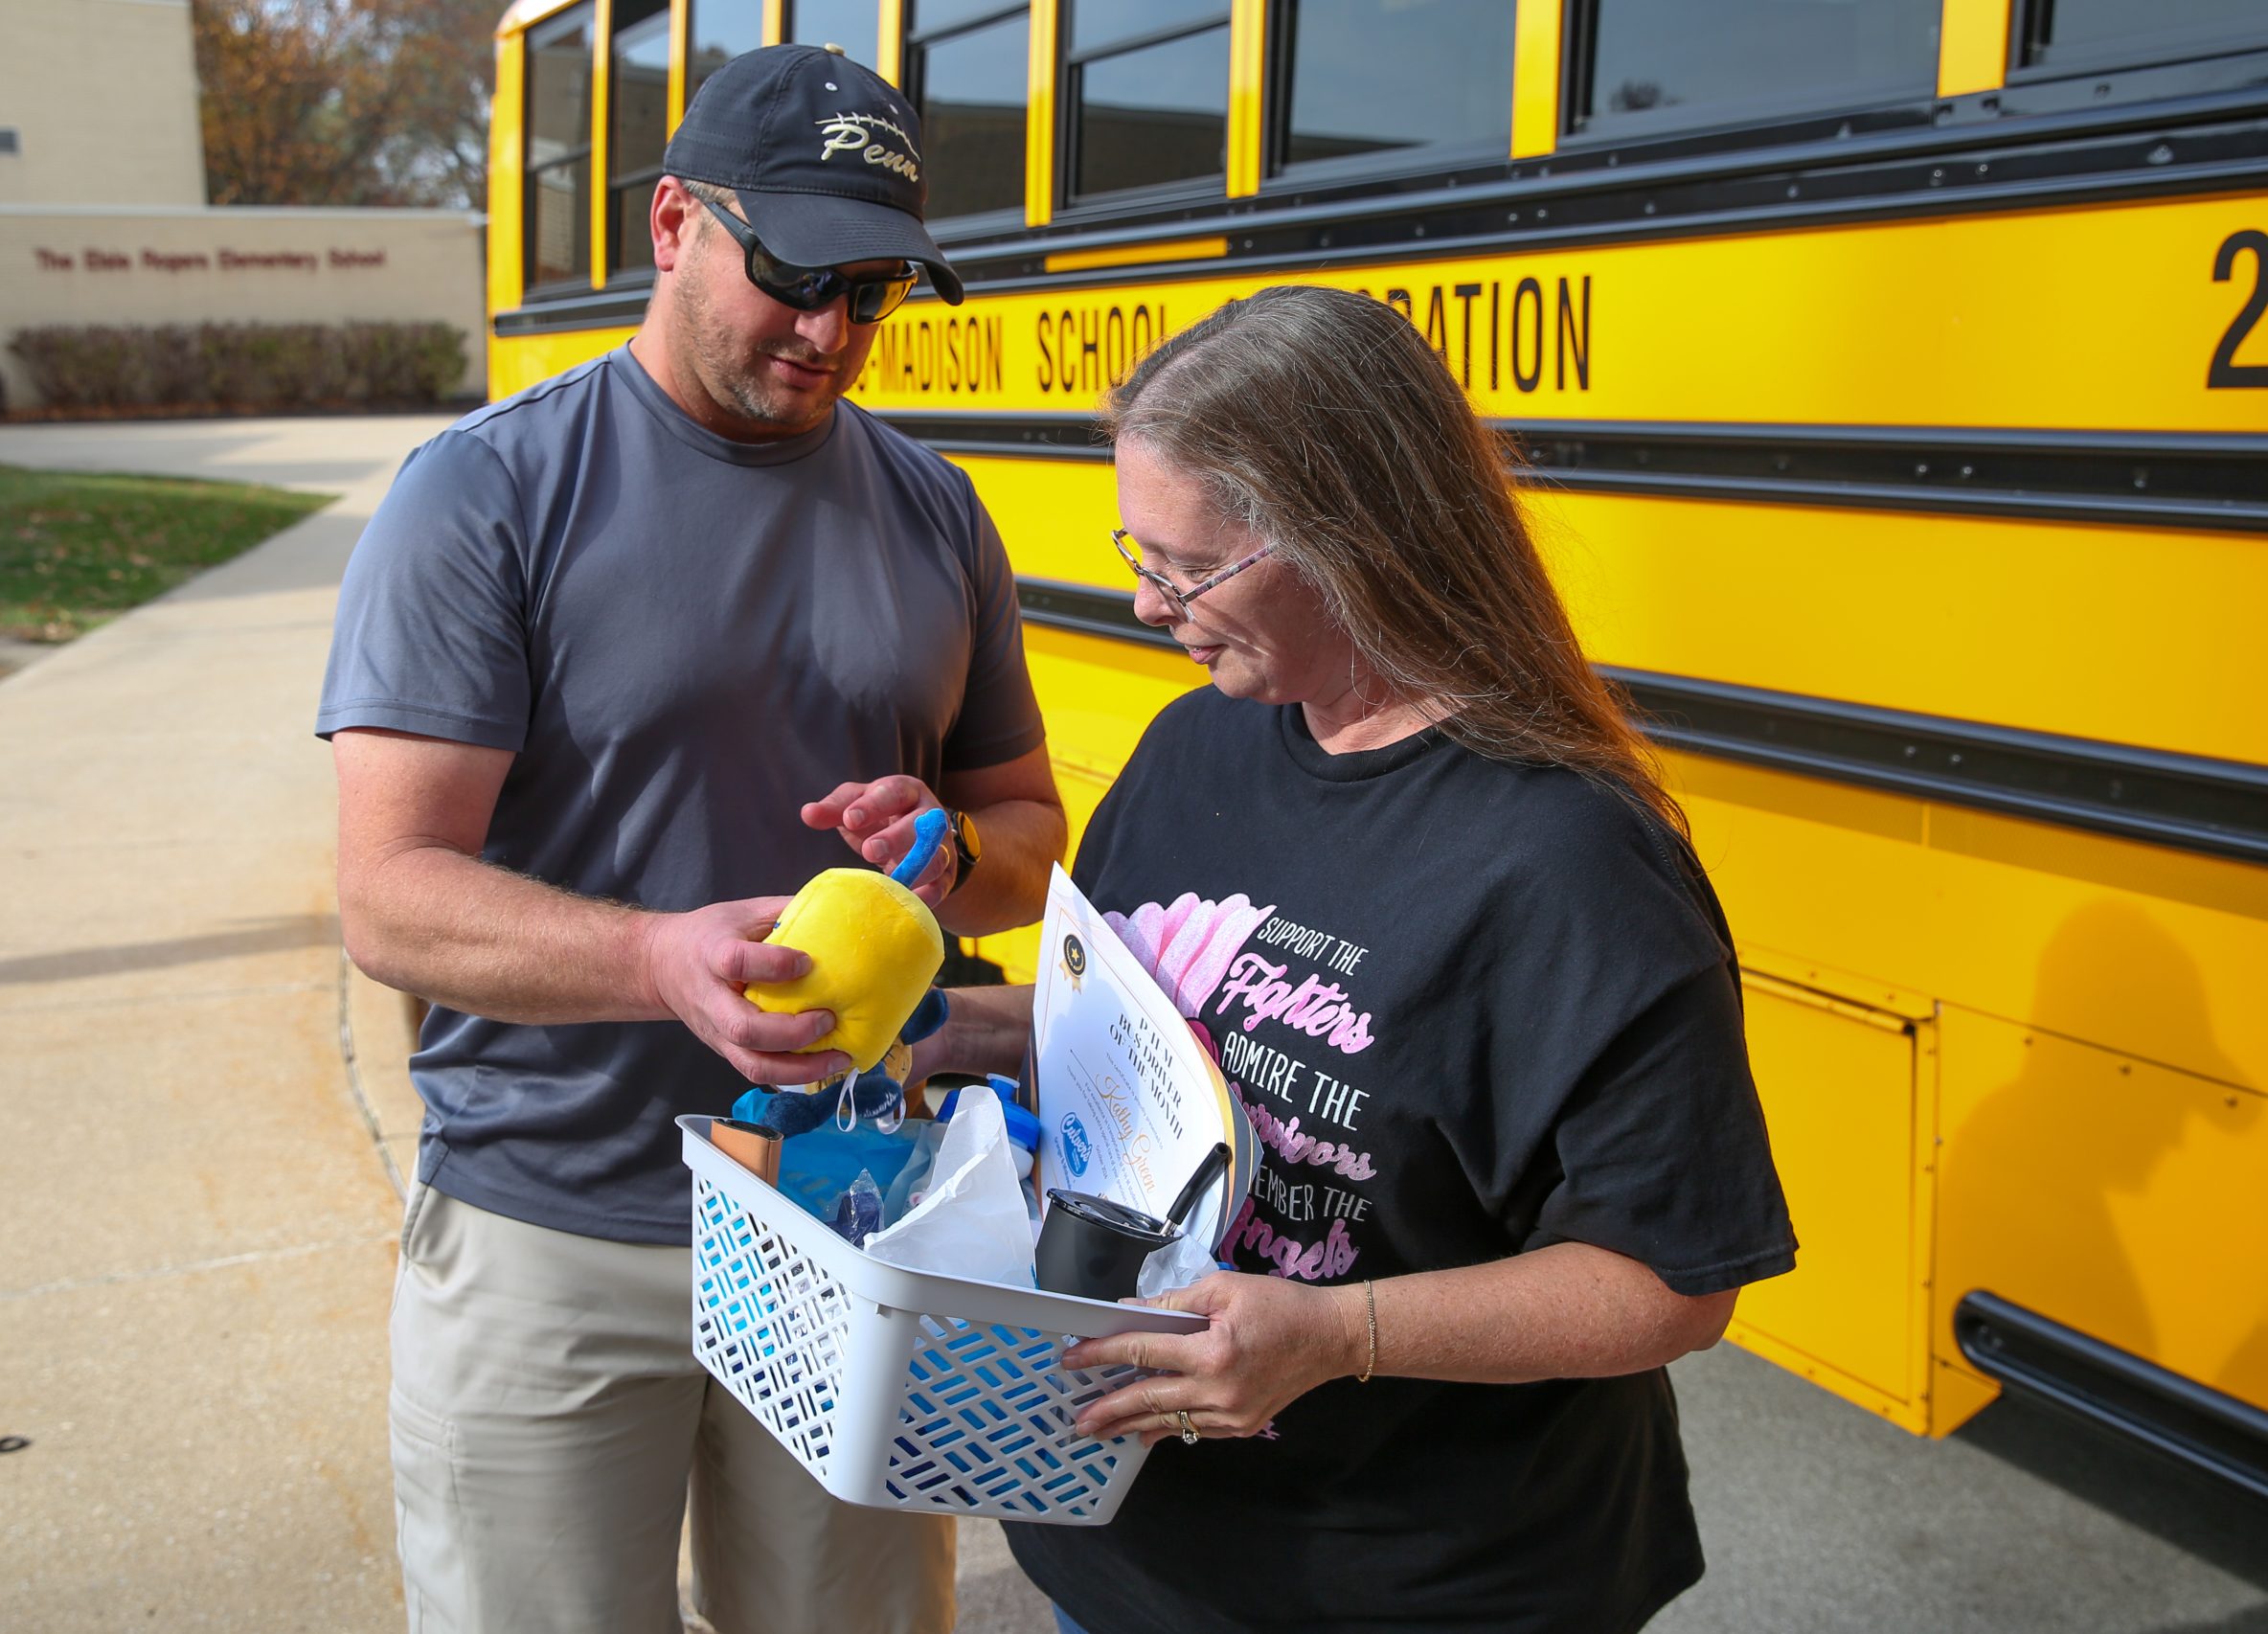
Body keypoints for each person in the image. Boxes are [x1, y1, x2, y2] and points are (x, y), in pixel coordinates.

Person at [912, 285, 1797, 1634]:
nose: (1149, 604)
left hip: (1420, 1583)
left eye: (1185, 565)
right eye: (1132, 550)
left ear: (1351, 542)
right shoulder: (1190, 745)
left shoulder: (1569, 860)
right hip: (1122, 1553)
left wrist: (1341, 1335)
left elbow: (1672, 1281)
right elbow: (1175, 1041)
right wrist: (945, 1023)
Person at [315, 44, 1065, 1634]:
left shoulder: (940, 515)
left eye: (876, 290)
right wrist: (658, 957)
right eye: (795, 273)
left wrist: (948, 853)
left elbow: (1027, 841)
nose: (832, 331)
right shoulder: (485, 496)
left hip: (852, 1207)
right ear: (671, 226)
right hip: (554, 1223)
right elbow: (389, 898)